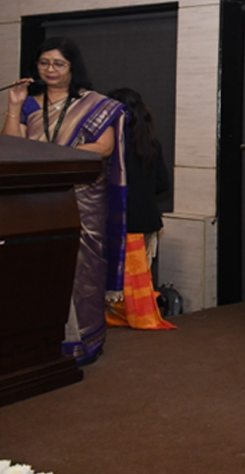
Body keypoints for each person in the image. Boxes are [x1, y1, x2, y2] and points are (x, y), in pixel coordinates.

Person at [2, 37, 127, 365]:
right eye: (44, 63)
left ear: (73, 67)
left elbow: (104, 147)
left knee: (81, 269)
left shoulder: (95, 105)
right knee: (38, 267)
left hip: (82, 197)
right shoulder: (30, 103)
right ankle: (40, 342)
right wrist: (14, 105)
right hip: (37, 202)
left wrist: (52, 155)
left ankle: (83, 340)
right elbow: (12, 147)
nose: (51, 70)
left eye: (59, 63)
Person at [105, 87, 175, 331]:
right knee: (139, 277)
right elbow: (163, 184)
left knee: (114, 276)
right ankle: (141, 312)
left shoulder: (108, 149)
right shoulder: (151, 145)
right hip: (145, 219)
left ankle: (120, 315)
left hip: (116, 222)